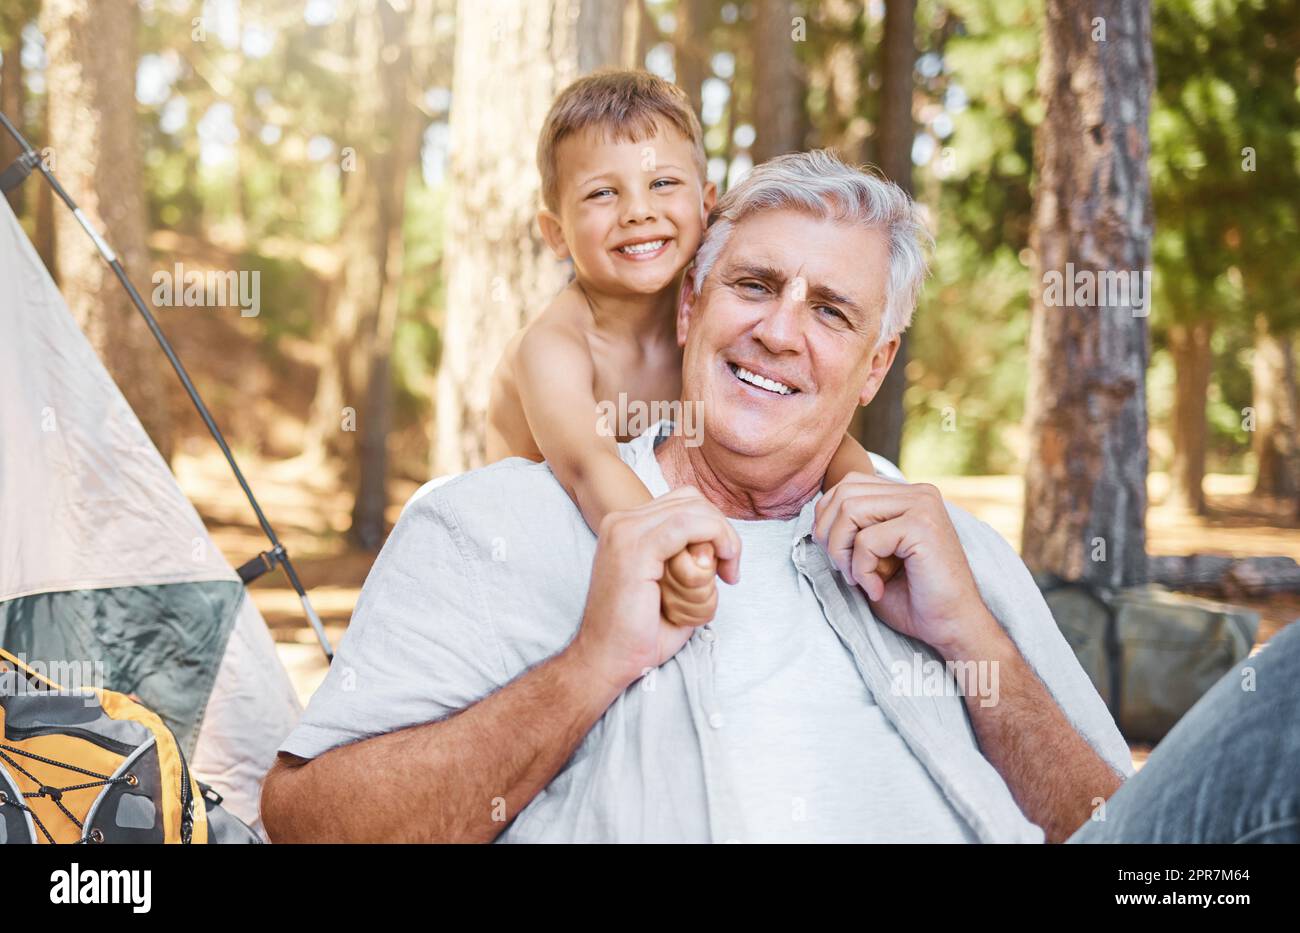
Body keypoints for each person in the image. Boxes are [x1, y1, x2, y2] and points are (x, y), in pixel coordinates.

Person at [260, 149, 1299, 844]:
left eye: (831, 310)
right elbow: (305, 824)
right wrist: (592, 665)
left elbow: (1123, 838)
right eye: (755, 287)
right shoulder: (492, 525)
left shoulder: (947, 549)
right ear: (692, 307)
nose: (780, 330)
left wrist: (969, 639)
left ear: (875, 363)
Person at [485, 70, 890, 630]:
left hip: (632, 516)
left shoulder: (719, 329)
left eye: (662, 184)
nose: (638, 211)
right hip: (541, 539)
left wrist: (858, 490)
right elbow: (585, 467)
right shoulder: (553, 347)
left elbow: (823, 431)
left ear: (707, 204)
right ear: (555, 233)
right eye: (603, 192)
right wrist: (666, 549)